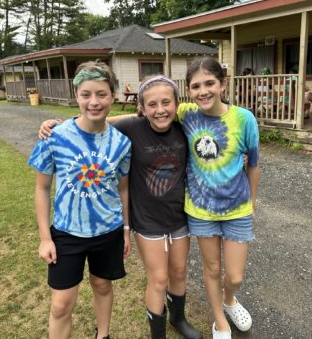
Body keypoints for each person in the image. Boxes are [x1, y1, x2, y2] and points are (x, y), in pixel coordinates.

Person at [39, 75, 203, 339]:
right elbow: (99, 120)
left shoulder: (184, 126)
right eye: (152, 104)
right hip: (147, 219)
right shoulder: (134, 127)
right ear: (142, 107)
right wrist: (59, 123)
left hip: (178, 216)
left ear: (177, 103)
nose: (160, 109)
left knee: (180, 271)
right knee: (159, 278)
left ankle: (179, 319)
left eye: (166, 102)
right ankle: (157, 334)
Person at [29, 61, 132, 339]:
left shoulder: (122, 144)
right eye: (86, 94)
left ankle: (103, 335)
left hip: (108, 231)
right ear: (77, 96)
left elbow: (123, 189)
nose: (94, 102)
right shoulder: (55, 136)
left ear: (113, 96)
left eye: (101, 94)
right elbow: (42, 189)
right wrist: (45, 238)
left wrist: (125, 229)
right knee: (61, 304)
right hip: (66, 233)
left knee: (102, 285)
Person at [179, 57, 260, 339]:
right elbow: (148, 113)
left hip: (237, 208)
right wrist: (83, 119)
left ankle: (229, 300)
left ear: (223, 84)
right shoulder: (186, 114)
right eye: (195, 86)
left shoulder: (244, 118)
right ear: (188, 90)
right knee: (211, 268)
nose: (203, 91)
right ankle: (219, 321)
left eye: (209, 83)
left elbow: (254, 163)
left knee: (235, 276)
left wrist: (251, 203)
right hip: (201, 210)